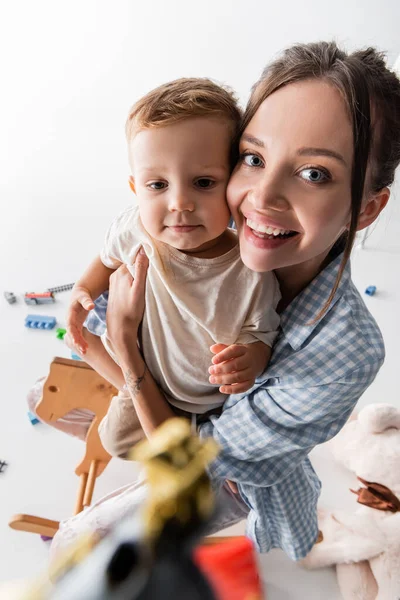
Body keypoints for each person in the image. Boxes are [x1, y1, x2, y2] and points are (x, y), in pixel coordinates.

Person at [50, 41, 400, 562]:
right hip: (157, 382)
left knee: (78, 546)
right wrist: (96, 307)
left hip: (220, 468)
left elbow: (192, 461)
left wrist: (123, 346)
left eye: (314, 174)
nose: (261, 197)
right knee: (46, 395)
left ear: (367, 208)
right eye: (253, 158)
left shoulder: (342, 354)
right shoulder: (204, 209)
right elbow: (136, 217)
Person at [28, 79, 280, 455]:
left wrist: (249, 359)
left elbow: (262, 333)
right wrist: (84, 290)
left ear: (234, 182)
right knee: (83, 349)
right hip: (141, 353)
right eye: (158, 184)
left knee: (116, 442)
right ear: (136, 188)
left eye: (203, 182)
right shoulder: (136, 227)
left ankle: (139, 397)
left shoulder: (250, 270)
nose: (179, 202)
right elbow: (106, 259)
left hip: (196, 398)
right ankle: (124, 381)